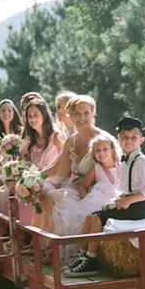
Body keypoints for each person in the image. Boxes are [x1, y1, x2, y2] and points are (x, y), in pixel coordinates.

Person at [64, 117, 145, 277]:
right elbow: (125, 188)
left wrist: (128, 200)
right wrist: (118, 199)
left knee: (98, 219)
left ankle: (92, 260)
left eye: (133, 138)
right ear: (119, 139)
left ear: (141, 139)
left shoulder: (142, 162)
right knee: (91, 217)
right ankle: (83, 256)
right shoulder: (127, 161)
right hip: (130, 202)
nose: (129, 141)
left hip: (141, 206)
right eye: (125, 137)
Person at [33, 95, 107, 262]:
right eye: (77, 114)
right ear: (71, 117)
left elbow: (113, 171)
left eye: (86, 113)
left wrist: (87, 181)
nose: (82, 118)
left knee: (57, 198)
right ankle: (50, 246)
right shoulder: (70, 141)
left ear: (93, 114)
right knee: (48, 195)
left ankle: (59, 250)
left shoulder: (102, 138)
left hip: (100, 188)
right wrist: (44, 187)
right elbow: (62, 174)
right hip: (77, 187)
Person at [51, 132, 122, 261]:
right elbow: (83, 186)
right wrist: (84, 200)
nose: (102, 153)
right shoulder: (96, 168)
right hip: (98, 198)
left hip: (116, 198)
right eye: (98, 150)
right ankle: (83, 254)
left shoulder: (121, 166)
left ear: (112, 150)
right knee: (85, 219)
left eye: (105, 149)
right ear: (93, 153)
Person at [0, 97, 64, 222]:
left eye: (36, 115)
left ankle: (30, 235)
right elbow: (22, 160)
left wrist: (37, 179)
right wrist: (16, 178)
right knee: (5, 192)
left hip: (53, 180)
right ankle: (16, 233)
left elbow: (64, 163)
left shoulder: (56, 136)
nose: (32, 119)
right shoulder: (31, 138)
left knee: (29, 195)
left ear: (44, 115)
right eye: (29, 116)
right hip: (33, 178)